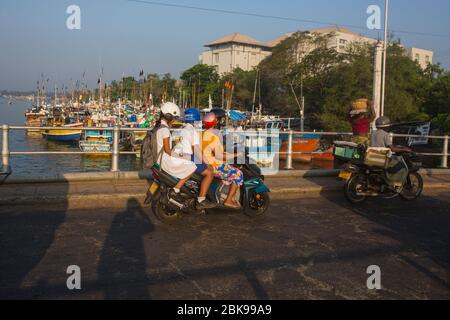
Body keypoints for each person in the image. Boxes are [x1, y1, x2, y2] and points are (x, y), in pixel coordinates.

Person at [175, 108, 216, 209]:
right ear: (195, 119)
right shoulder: (192, 131)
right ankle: (201, 200)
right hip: (188, 157)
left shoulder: (181, 130)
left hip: (179, 156)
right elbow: (196, 150)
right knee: (210, 172)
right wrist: (207, 163)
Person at [202, 112, 243, 209]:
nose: (222, 122)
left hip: (207, 163)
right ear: (215, 122)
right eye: (221, 120)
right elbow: (220, 156)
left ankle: (224, 194)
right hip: (215, 165)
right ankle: (228, 200)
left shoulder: (205, 133)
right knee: (238, 174)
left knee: (230, 169)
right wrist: (236, 155)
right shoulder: (214, 135)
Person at [156, 102, 197, 200]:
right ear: (169, 116)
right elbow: (167, 150)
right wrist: (183, 156)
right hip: (164, 161)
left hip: (159, 159)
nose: (174, 121)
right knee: (192, 166)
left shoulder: (158, 127)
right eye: (174, 118)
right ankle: (177, 189)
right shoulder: (165, 130)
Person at [370, 116, 411, 188]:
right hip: (382, 159)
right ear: (385, 126)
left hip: (373, 158)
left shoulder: (373, 133)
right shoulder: (385, 135)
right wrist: (404, 149)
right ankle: (393, 183)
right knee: (401, 165)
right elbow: (392, 149)